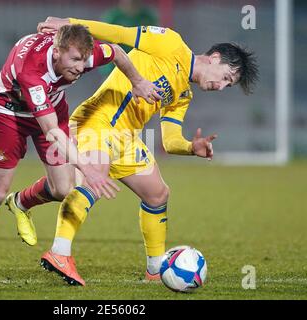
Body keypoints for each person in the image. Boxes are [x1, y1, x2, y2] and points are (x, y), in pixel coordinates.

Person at [21, 17, 259, 287]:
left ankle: (156, 269)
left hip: (126, 137)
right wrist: (69, 23)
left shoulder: (183, 94)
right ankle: (60, 252)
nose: (222, 86)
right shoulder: (170, 43)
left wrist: (192, 147)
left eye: (228, 85)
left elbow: (170, 141)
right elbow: (119, 34)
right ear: (215, 58)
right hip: (98, 120)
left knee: (158, 194)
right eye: (226, 78)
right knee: (91, 179)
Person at [0, 24, 161, 286]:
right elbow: (52, 134)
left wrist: (137, 82)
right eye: (75, 60)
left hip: (52, 109)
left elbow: (116, 51)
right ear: (57, 53)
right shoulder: (32, 71)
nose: (81, 68)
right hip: (10, 113)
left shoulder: (83, 53)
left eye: (84, 60)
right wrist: (88, 168)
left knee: (63, 189)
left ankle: (21, 203)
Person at [99, 0, 158, 77]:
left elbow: (154, 40)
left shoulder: (148, 16)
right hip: (115, 68)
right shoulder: (113, 17)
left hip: (141, 66)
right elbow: (104, 42)